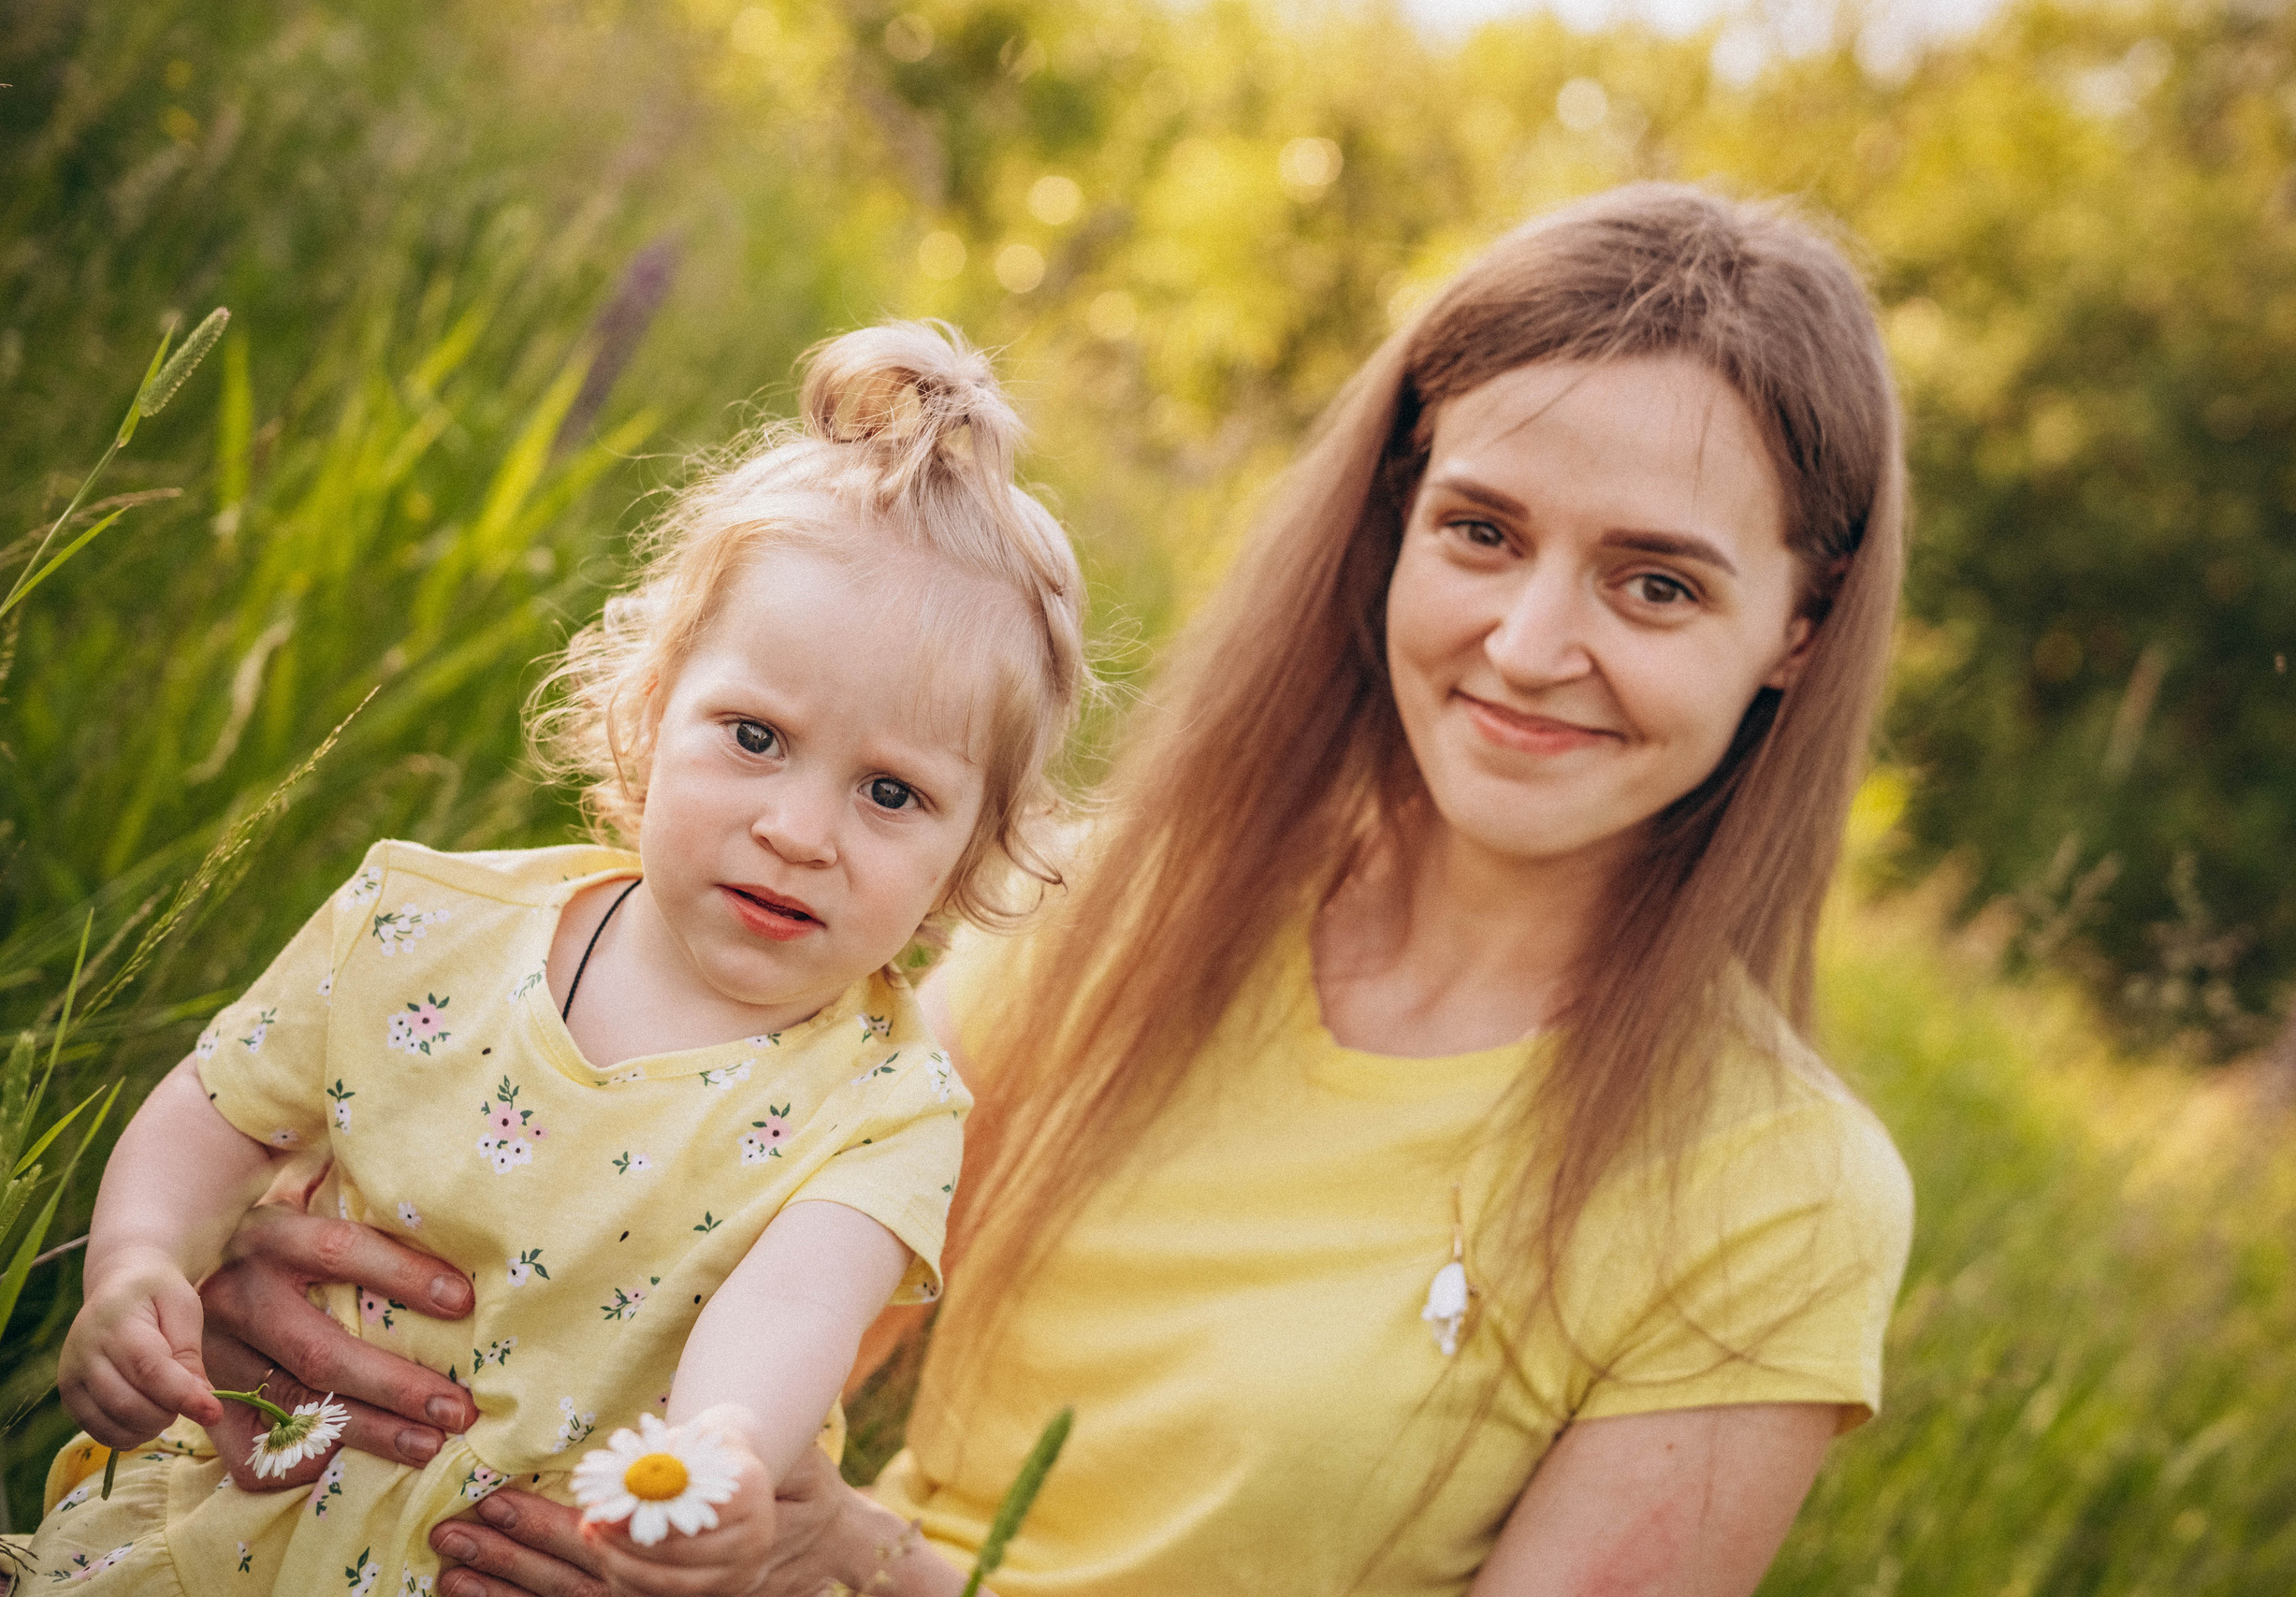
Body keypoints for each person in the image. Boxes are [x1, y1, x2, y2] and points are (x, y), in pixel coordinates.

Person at [190, 182, 1915, 1597]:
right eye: (1481, 530)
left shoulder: (1773, 1191)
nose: (1532, 646)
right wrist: (314, 1287)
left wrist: (871, 1566)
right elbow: (682, 1323)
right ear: (1392, 522)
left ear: (1800, 630)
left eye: (1660, 585)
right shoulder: (1104, 913)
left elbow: (825, 1536)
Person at [22, 323, 1089, 1595]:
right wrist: (139, 1260)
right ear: (651, 707)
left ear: (975, 849)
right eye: (754, 735)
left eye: (894, 794)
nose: (798, 830)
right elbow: (219, 1109)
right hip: (225, 1543)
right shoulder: (421, 927)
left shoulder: (880, 1113)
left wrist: (716, 1466)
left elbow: (792, 1310)